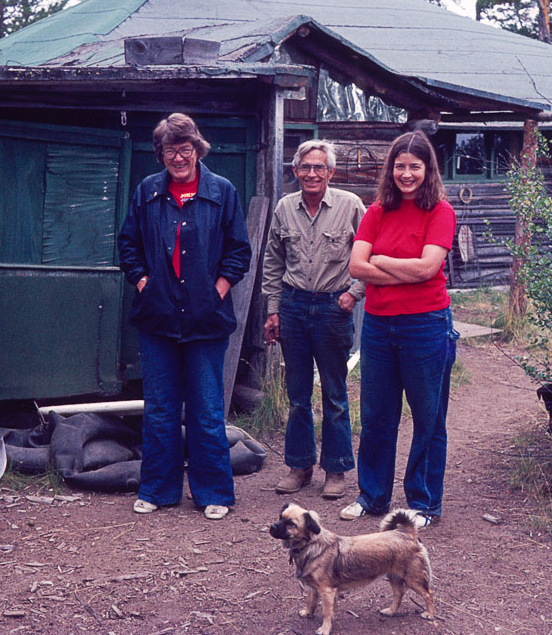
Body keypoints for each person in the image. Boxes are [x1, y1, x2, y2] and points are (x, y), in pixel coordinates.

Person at [117, 113, 251, 521]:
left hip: (206, 320)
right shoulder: (147, 192)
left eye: (185, 147)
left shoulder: (222, 192)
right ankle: (158, 490)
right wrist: (144, 284)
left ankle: (214, 493)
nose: (178, 157)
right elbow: (128, 245)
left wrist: (217, 292)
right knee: (160, 408)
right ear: (161, 154)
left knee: (206, 410)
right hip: (157, 318)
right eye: (170, 150)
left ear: (197, 148)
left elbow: (239, 251)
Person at [339, 131, 458, 528]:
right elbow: (356, 267)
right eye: (400, 166)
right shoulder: (376, 211)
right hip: (378, 325)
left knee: (427, 418)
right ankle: (372, 497)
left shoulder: (440, 211)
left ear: (428, 170)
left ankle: (423, 505)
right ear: (390, 169)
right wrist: (405, 269)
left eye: (415, 167)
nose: (406, 174)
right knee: (376, 415)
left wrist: (382, 260)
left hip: (425, 325)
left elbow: (429, 268)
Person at [262, 140, 366, 499]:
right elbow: (273, 262)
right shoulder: (284, 208)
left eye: (319, 167)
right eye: (305, 167)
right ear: (295, 171)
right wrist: (273, 309)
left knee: (335, 394)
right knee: (297, 393)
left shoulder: (350, 206)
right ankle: (299, 466)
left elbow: (373, 250)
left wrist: (355, 292)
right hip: (292, 307)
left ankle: (336, 470)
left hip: (332, 309)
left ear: (331, 172)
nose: (311, 174)